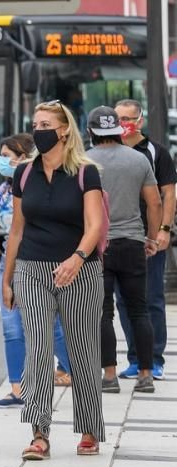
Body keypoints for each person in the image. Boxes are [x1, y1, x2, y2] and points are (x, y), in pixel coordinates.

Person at [4, 100, 106, 460]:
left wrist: (77, 259)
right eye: (35, 123)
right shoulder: (24, 173)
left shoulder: (85, 172)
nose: (38, 129)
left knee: (81, 348)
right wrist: (8, 277)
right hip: (32, 268)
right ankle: (39, 432)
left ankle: (90, 429)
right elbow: (16, 231)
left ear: (64, 130)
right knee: (38, 347)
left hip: (80, 270)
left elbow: (94, 224)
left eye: (45, 123)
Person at [0, 134, 73, 409]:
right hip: (9, 260)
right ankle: (18, 388)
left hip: (39, 260)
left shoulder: (40, 184)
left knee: (51, 325)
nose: (3, 160)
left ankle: (76, 367)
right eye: (1, 155)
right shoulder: (3, 189)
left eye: (7, 155)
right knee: (12, 328)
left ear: (24, 157)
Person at [85, 106, 162, 395]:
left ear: (91, 131)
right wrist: (151, 238)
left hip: (97, 246)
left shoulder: (84, 161)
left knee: (102, 313)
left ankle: (109, 375)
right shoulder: (138, 159)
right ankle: (146, 374)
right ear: (118, 129)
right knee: (139, 311)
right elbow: (154, 202)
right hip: (132, 243)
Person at [115, 99, 176, 381]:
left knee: (150, 298)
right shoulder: (107, 150)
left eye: (128, 118)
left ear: (139, 121)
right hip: (117, 237)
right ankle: (135, 358)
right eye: (118, 118)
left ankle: (154, 358)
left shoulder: (156, 152)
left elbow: (168, 194)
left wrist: (164, 229)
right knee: (123, 301)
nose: (123, 123)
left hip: (149, 237)